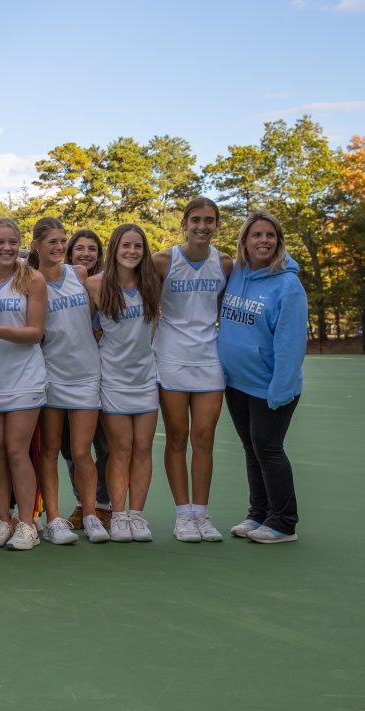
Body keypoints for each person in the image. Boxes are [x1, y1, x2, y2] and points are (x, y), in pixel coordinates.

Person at [218, 211, 307, 544]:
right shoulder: (237, 273)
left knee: (269, 449)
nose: (264, 241)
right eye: (257, 235)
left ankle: (284, 522)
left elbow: (291, 343)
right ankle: (259, 514)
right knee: (251, 449)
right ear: (245, 240)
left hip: (270, 387)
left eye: (270, 235)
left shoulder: (288, 285)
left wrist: (280, 390)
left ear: (279, 241)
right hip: (236, 382)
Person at [152, 197, 232, 543]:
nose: (202, 226)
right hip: (170, 357)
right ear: (184, 224)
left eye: (209, 220)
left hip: (209, 358)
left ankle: (202, 512)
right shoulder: (162, 260)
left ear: (217, 225)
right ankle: (183, 514)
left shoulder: (226, 264)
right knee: (176, 437)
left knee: (204, 437)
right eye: (196, 220)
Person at [85, 224, 160, 543]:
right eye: (126, 246)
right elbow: (82, 327)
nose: (132, 251)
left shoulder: (153, 284)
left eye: (138, 247)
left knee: (143, 449)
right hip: (112, 379)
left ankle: (137, 516)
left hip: (146, 378)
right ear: (114, 249)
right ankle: (117, 515)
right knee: (120, 449)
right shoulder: (95, 284)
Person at [0, 217, 47, 551]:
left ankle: (27, 524)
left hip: (25, 379)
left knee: (18, 450)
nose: (7, 248)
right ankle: (2, 519)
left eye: (12, 241)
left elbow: (36, 332)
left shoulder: (32, 278)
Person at [30, 217, 103, 545]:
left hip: (86, 374)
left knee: (81, 450)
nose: (59, 247)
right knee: (49, 450)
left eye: (63, 241)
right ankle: (54, 519)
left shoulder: (80, 274)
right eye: (52, 242)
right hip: (49, 376)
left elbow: (91, 318)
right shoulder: (30, 281)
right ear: (37, 246)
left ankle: (90, 515)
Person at [61, 229, 111, 527]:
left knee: (103, 445)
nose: (86, 254)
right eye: (80, 248)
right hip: (68, 374)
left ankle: (105, 504)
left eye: (92, 249)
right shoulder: (63, 282)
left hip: (104, 373)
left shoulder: (108, 284)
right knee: (72, 448)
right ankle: (83, 504)